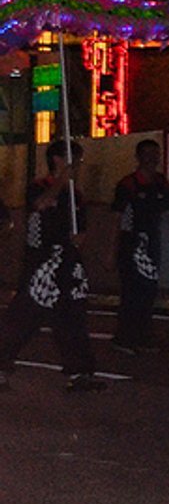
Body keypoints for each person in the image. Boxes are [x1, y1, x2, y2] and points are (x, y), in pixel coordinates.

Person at [0, 142, 103, 392]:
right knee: (24, 316)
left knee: (73, 315)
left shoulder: (75, 194)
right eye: (74, 161)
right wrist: (61, 181)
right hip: (42, 262)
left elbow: (81, 226)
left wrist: (80, 239)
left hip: (67, 260)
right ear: (58, 160)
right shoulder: (39, 186)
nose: (77, 167)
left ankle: (80, 371)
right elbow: (40, 204)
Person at [110, 138, 169, 355]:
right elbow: (118, 219)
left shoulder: (161, 182)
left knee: (149, 290)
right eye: (147, 154)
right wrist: (112, 250)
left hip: (152, 243)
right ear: (138, 157)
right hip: (132, 243)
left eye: (155, 154)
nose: (152, 159)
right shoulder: (128, 185)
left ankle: (143, 335)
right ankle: (124, 337)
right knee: (132, 291)